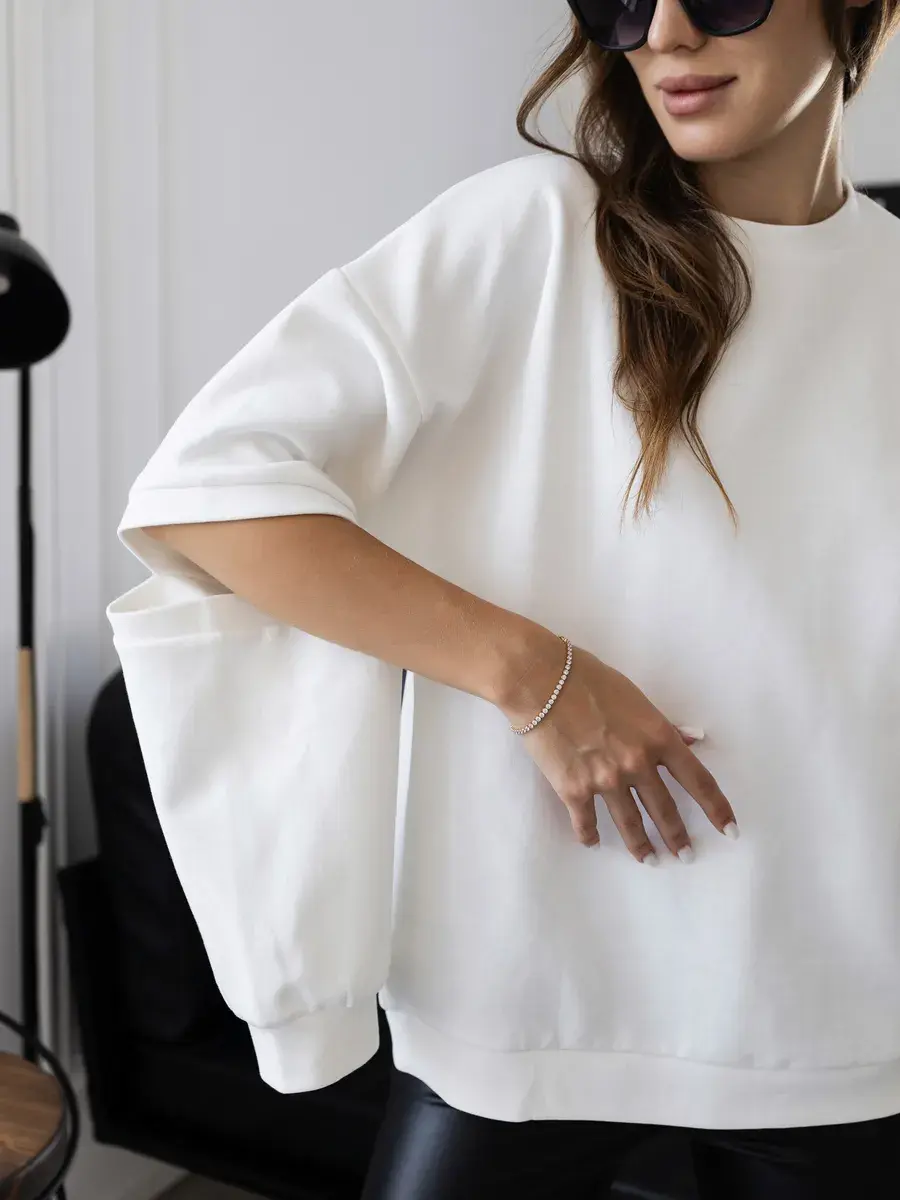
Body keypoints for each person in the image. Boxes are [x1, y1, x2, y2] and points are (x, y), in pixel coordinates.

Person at [107, 0, 900, 1195]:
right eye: (621, 0)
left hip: (847, 1016)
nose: (665, 33)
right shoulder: (536, 231)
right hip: (527, 1002)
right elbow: (203, 498)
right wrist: (534, 674)